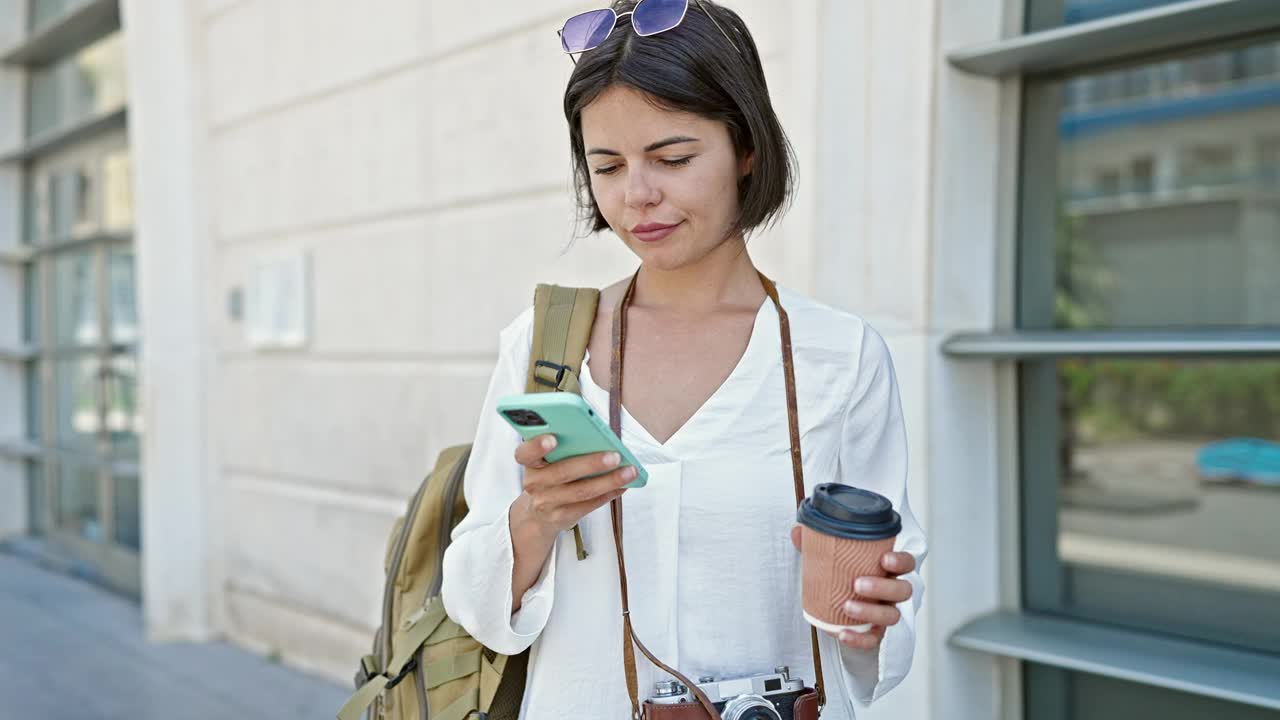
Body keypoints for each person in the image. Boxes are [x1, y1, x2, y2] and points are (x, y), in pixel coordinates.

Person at [440, 1, 927, 717]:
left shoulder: (839, 358)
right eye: (607, 166)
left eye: (673, 158)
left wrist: (871, 615)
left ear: (746, 147)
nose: (637, 196)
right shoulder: (544, 348)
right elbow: (474, 606)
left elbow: (882, 632)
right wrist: (534, 519)